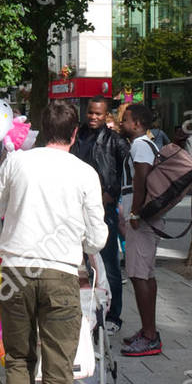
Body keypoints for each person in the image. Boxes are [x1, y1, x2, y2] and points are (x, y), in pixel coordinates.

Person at [0, 100, 107, 384]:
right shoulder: (84, 172)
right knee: (57, 368)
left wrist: (2, 243)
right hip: (60, 273)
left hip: (16, 271)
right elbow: (98, 237)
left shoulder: (16, 162)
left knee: (18, 358)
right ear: (73, 134)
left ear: (39, 128)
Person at [71, 97, 129, 333]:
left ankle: (113, 315)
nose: (94, 117)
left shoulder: (115, 141)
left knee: (108, 262)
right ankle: (85, 312)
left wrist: (112, 194)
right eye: (91, 113)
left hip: (103, 210)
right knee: (79, 264)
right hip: (75, 208)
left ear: (107, 115)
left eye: (98, 114)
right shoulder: (76, 136)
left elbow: (126, 173)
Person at [119, 104, 165, 358]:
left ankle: (150, 336)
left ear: (136, 123)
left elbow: (141, 180)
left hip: (142, 219)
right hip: (147, 218)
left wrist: (135, 212)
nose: (121, 123)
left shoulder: (139, 145)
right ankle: (149, 330)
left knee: (138, 275)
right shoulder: (148, 144)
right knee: (145, 274)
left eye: (125, 120)